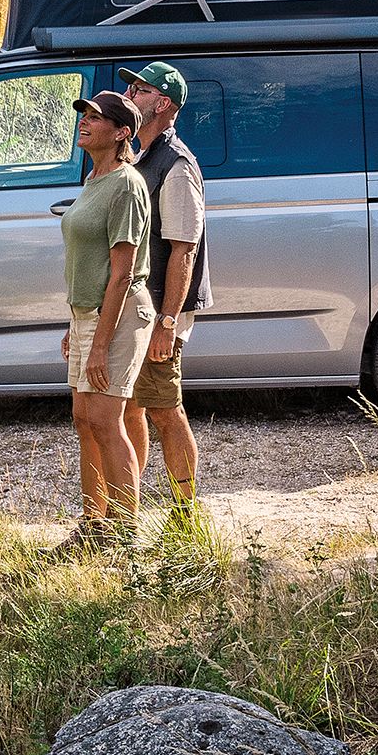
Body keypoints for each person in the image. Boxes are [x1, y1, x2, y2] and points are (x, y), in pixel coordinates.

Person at [55, 88, 154, 550]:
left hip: (117, 315)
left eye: (96, 117)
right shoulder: (95, 180)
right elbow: (86, 261)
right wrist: (73, 324)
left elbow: (121, 274)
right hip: (86, 315)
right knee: (83, 417)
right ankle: (95, 524)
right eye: (84, 115)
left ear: (121, 133)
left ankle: (126, 532)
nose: (85, 121)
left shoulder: (127, 185)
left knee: (107, 417)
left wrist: (98, 342)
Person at [121, 61, 209, 516]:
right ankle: (128, 510)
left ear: (164, 103)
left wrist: (168, 323)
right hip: (139, 310)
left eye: (139, 90)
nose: (130, 95)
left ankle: (185, 515)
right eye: (132, 88)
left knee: (164, 410)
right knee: (132, 409)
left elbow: (184, 252)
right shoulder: (141, 157)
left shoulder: (176, 165)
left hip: (161, 313)